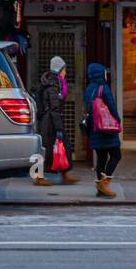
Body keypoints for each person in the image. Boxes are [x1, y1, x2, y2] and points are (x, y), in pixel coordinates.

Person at [33, 55, 79, 186]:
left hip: (52, 121)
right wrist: (59, 128)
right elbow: (54, 108)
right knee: (46, 149)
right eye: (64, 69)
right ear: (59, 69)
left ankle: (65, 174)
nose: (65, 72)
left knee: (63, 147)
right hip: (49, 122)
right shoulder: (53, 86)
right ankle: (38, 177)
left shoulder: (55, 83)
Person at [84, 62, 122, 198]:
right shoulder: (104, 88)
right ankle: (104, 184)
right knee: (116, 155)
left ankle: (100, 189)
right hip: (106, 128)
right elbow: (112, 107)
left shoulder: (88, 89)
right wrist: (118, 121)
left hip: (94, 127)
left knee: (101, 157)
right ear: (101, 74)